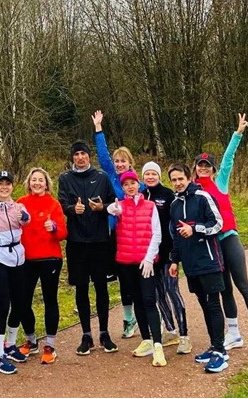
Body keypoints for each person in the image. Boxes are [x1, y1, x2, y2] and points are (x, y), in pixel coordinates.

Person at [193, 113, 248, 354]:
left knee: (242, 285)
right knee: (224, 289)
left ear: (213, 169)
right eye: (200, 165)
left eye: (207, 165)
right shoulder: (193, 191)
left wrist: (238, 133)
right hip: (212, 245)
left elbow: (228, 160)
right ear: (195, 168)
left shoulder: (220, 183)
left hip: (228, 239)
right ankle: (234, 333)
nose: (204, 168)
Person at [58, 139, 119, 355]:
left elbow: (114, 203)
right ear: (72, 158)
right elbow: (62, 204)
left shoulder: (101, 176)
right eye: (76, 154)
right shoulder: (65, 178)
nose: (80, 157)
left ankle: (104, 333)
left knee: (101, 288)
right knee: (81, 288)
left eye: (83, 153)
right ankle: (86, 335)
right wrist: (73, 209)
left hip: (100, 241)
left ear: (88, 156)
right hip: (77, 243)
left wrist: (102, 207)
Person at [167, 163, 229, 373]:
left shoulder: (203, 197)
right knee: (204, 305)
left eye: (181, 179)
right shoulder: (174, 205)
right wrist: (174, 260)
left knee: (213, 304)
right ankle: (214, 346)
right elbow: (176, 236)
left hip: (209, 261)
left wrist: (195, 229)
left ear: (188, 178)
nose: (178, 183)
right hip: (191, 264)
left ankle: (220, 352)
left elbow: (218, 224)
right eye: (174, 180)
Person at [107, 171, 166, 367]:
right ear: (122, 188)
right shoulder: (119, 207)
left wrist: (149, 258)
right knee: (138, 301)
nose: (130, 187)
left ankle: (158, 344)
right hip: (126, 262)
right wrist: (111, 210)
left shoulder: (150, 206)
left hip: (145, 262)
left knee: (149, 300)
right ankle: (146, 340)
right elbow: (110, 215)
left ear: (138, 185)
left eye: (133, 183)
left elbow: (157, 233)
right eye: (126, 184)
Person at [91, 110, 139, 339]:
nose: (119, 164)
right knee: (121, 278)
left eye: (123, 161)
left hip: (133, 236)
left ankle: (149, 315)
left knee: (136, 278)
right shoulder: (111, 175)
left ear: (130, 163)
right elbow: (103, 157)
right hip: (112, 235)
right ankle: (129, 319)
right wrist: (98, 129)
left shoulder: (137, 184)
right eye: (117, 161)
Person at [17, 167, 67, 364]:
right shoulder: (21, 202)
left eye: (40, 180)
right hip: (26, 259)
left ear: (46, 184)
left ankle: (50, 345)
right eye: (34, 180)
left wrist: (53, 227)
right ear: (29, 183)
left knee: (50, 300)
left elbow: (63, 234)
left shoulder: (53, 204)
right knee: (23, 301)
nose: (37, 183)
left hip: (50, 259)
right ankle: (31, 341)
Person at [0, 170, 31, 374]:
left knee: (20, 303)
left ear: (12, 186)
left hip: (18, 257)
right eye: (0, 183)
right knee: (2, 305)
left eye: (8, 184)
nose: (4, 187)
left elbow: (26, 221)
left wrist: (25, 218)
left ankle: (10, 345)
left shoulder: (18, 206)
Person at [142, 161, 190, 354]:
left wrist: (175, 256)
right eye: (147, 174)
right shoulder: (140, 195)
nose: (150, 177)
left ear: (159, 176)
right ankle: (170, 330)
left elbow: (176, 225)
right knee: (158, 293)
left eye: (154, 173)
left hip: (168, 253)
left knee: (172, 290)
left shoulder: (168, 195)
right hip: (150, 255)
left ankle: (184, 336)